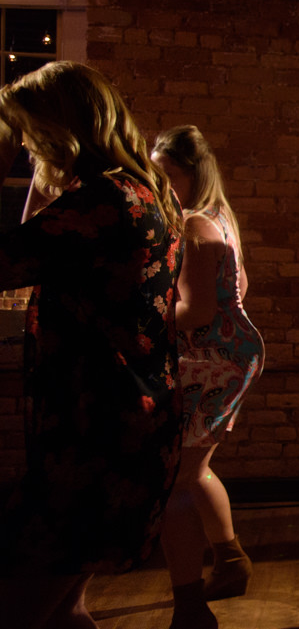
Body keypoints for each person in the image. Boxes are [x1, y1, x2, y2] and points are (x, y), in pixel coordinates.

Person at [0, 61, 184, 629]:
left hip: (97, 424)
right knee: (67, 604)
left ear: (62, 129)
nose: (26, 144)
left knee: (24, 598)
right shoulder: (140, 190)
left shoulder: (103, 201)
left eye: (30, 131)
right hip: (131, 414)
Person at [152, 125, 265, 628]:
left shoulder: (196, 226)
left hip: (212, 357)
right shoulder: (220, 218)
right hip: (229, 353)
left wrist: (141, 316)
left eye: (166, 175)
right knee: (194, 471)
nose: (157, 185)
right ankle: (231, 561)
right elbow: (240, 284)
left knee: (176, 479)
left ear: (191, 173)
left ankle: (190, 606)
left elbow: (195, 312)